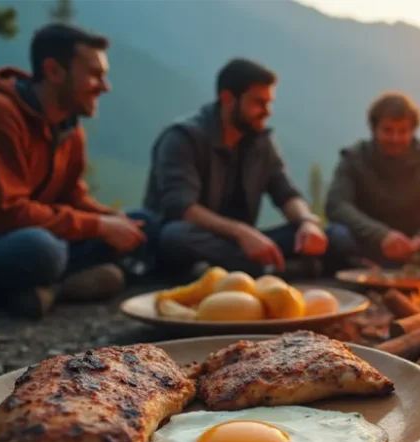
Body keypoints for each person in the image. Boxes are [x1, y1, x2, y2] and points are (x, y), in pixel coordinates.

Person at [0, 23, 159, 319]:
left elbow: (72, 197)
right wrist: (99, 226)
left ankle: (43, 289)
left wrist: (112, 219)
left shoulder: (68, 130)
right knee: (40, 250)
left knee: (142, 223)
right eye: (94, 75)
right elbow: (4, 215)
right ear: (53, 71)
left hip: (28, 238)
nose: (105, 86)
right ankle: (61, 285)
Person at [144, 58, 337, 278]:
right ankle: (276, 270)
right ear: (228, 99)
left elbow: (286, 193)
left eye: (269, 102)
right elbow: (182, 208)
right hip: (202, 238)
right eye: (258, 103)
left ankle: (244, 270)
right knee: (175, 236)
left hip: (242, 244)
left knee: (333, 235)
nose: (267, 111)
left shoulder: (261, 142)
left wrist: (307, 222)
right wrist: (240, 232)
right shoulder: (183, 137)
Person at [325, 92, 420, 269]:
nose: (395, 139)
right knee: (337, 234)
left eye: (403, 132)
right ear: (374, 129)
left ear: (413, 131)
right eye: (388, 131)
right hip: (369, 244)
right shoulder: (355, 159)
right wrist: (382, 236)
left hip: (417, 247)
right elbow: (337, 205)